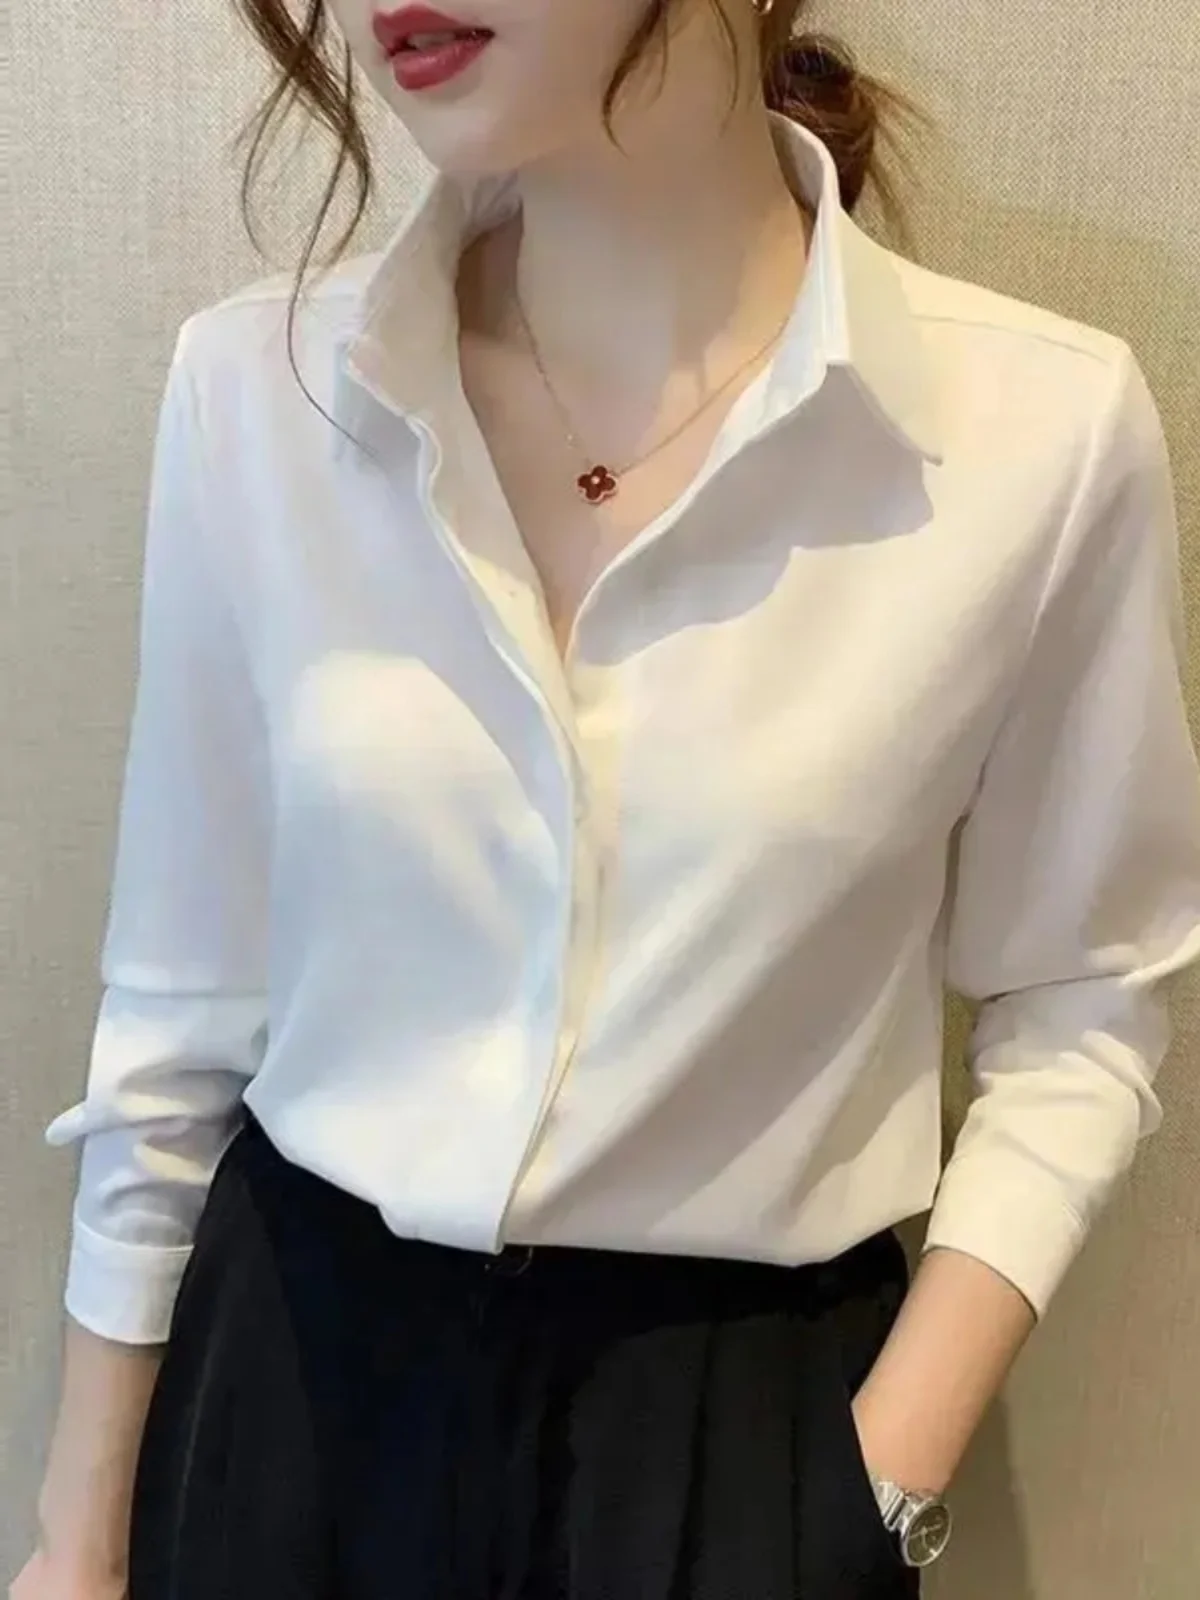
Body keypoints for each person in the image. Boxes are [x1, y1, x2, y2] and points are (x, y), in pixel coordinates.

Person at [14, 0, 1200, 1596]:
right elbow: (179, 1006)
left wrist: (872, 1479)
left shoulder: (1030, 438)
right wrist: (76, 1541)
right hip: (288, 1399)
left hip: (734, 1446)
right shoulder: (262, 393)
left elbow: (1085, 1000)